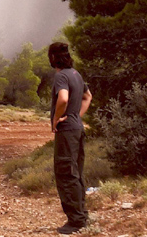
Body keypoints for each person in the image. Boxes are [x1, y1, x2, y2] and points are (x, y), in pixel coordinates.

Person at [49, 41, 92, 234]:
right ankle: (82, 215)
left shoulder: (61, 76)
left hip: (66, 131)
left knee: (67, 174)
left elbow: (63, 98)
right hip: (77, 129)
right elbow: (88, 97)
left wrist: (56, 120)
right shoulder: (76, 74)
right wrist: (77, 116)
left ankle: (76, 221)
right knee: (77, 172)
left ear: (52, 58)